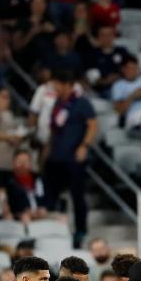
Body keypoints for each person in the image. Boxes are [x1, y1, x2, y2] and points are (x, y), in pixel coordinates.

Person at [43, 70, 96, 249]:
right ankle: (54, 229)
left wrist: (84, 146)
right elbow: (53, 129)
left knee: (77, 195)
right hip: (56, 156)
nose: (55, 88)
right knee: (51, 194)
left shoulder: (82, 103)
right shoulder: (57, 103)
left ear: (67, 85)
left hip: (74, 157)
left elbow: (93, 125)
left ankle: (81, 230)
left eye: (57, 84)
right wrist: (47, 150)